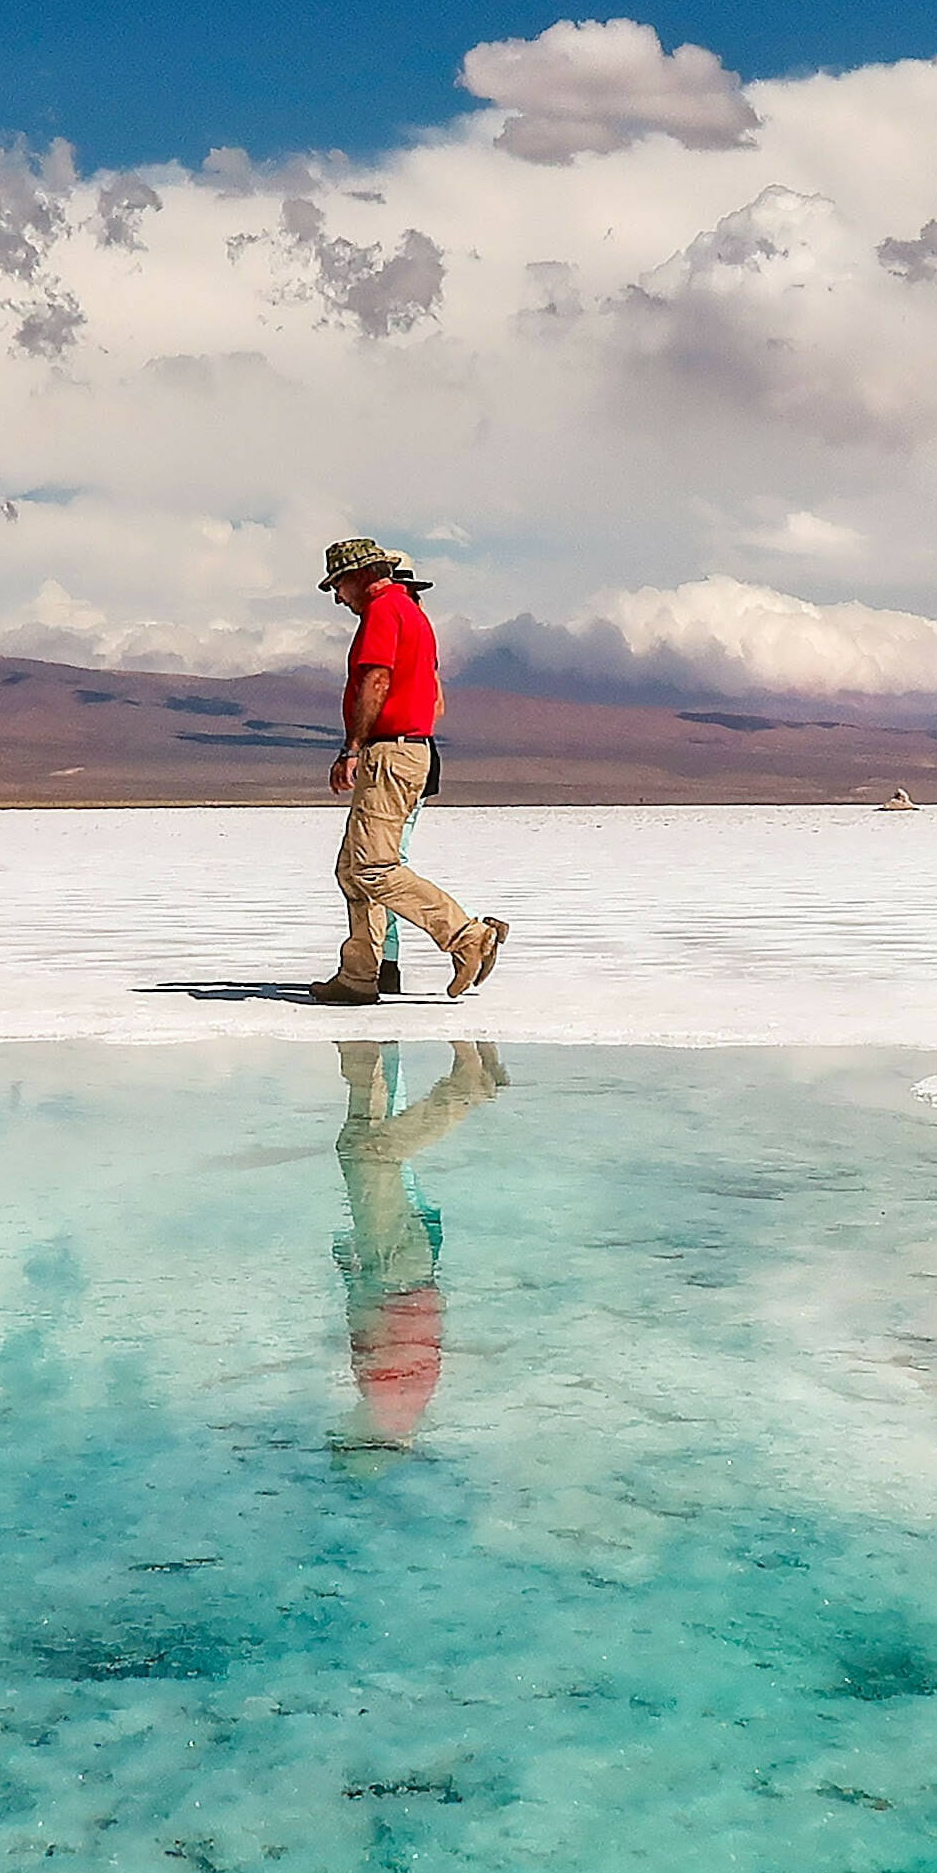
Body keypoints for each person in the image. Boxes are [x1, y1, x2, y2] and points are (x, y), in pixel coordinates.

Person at [306, 536, 510, 1006]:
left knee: (375, 867)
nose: (339, 598)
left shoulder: (383, 612)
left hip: (390, 753)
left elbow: (376, 678)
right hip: (407, 750)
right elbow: (433, 696)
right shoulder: (412, 613)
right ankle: (360, 976)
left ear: (359, 576)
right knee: (353, 868)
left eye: (339, 585)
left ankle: (466, 936)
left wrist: (353, 747)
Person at [331, 1035, 503, 1455]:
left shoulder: (402, 1405)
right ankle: (466, 1090)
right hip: (394, 1274)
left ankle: (364, 1057)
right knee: (366, 1155)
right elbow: (384, 1331)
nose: (339, 1428)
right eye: (343, 1439)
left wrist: (353, 1271)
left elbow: (395, 1336)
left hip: (404, 1272)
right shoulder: (385, 1404)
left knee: (359, 1143)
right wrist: (361, 1275)